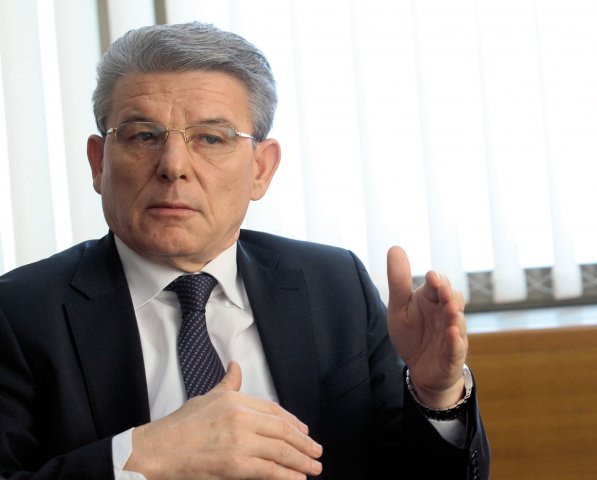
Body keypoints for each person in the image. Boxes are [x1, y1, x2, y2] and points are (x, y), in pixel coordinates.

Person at [0, 22, 489, 480]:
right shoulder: (20, 313)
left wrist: (436, 395)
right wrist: (141, 456)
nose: (173, 166)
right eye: (143, 136)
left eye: (211, 138)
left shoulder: (335, 286)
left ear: (261, 169)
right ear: (98, 162)